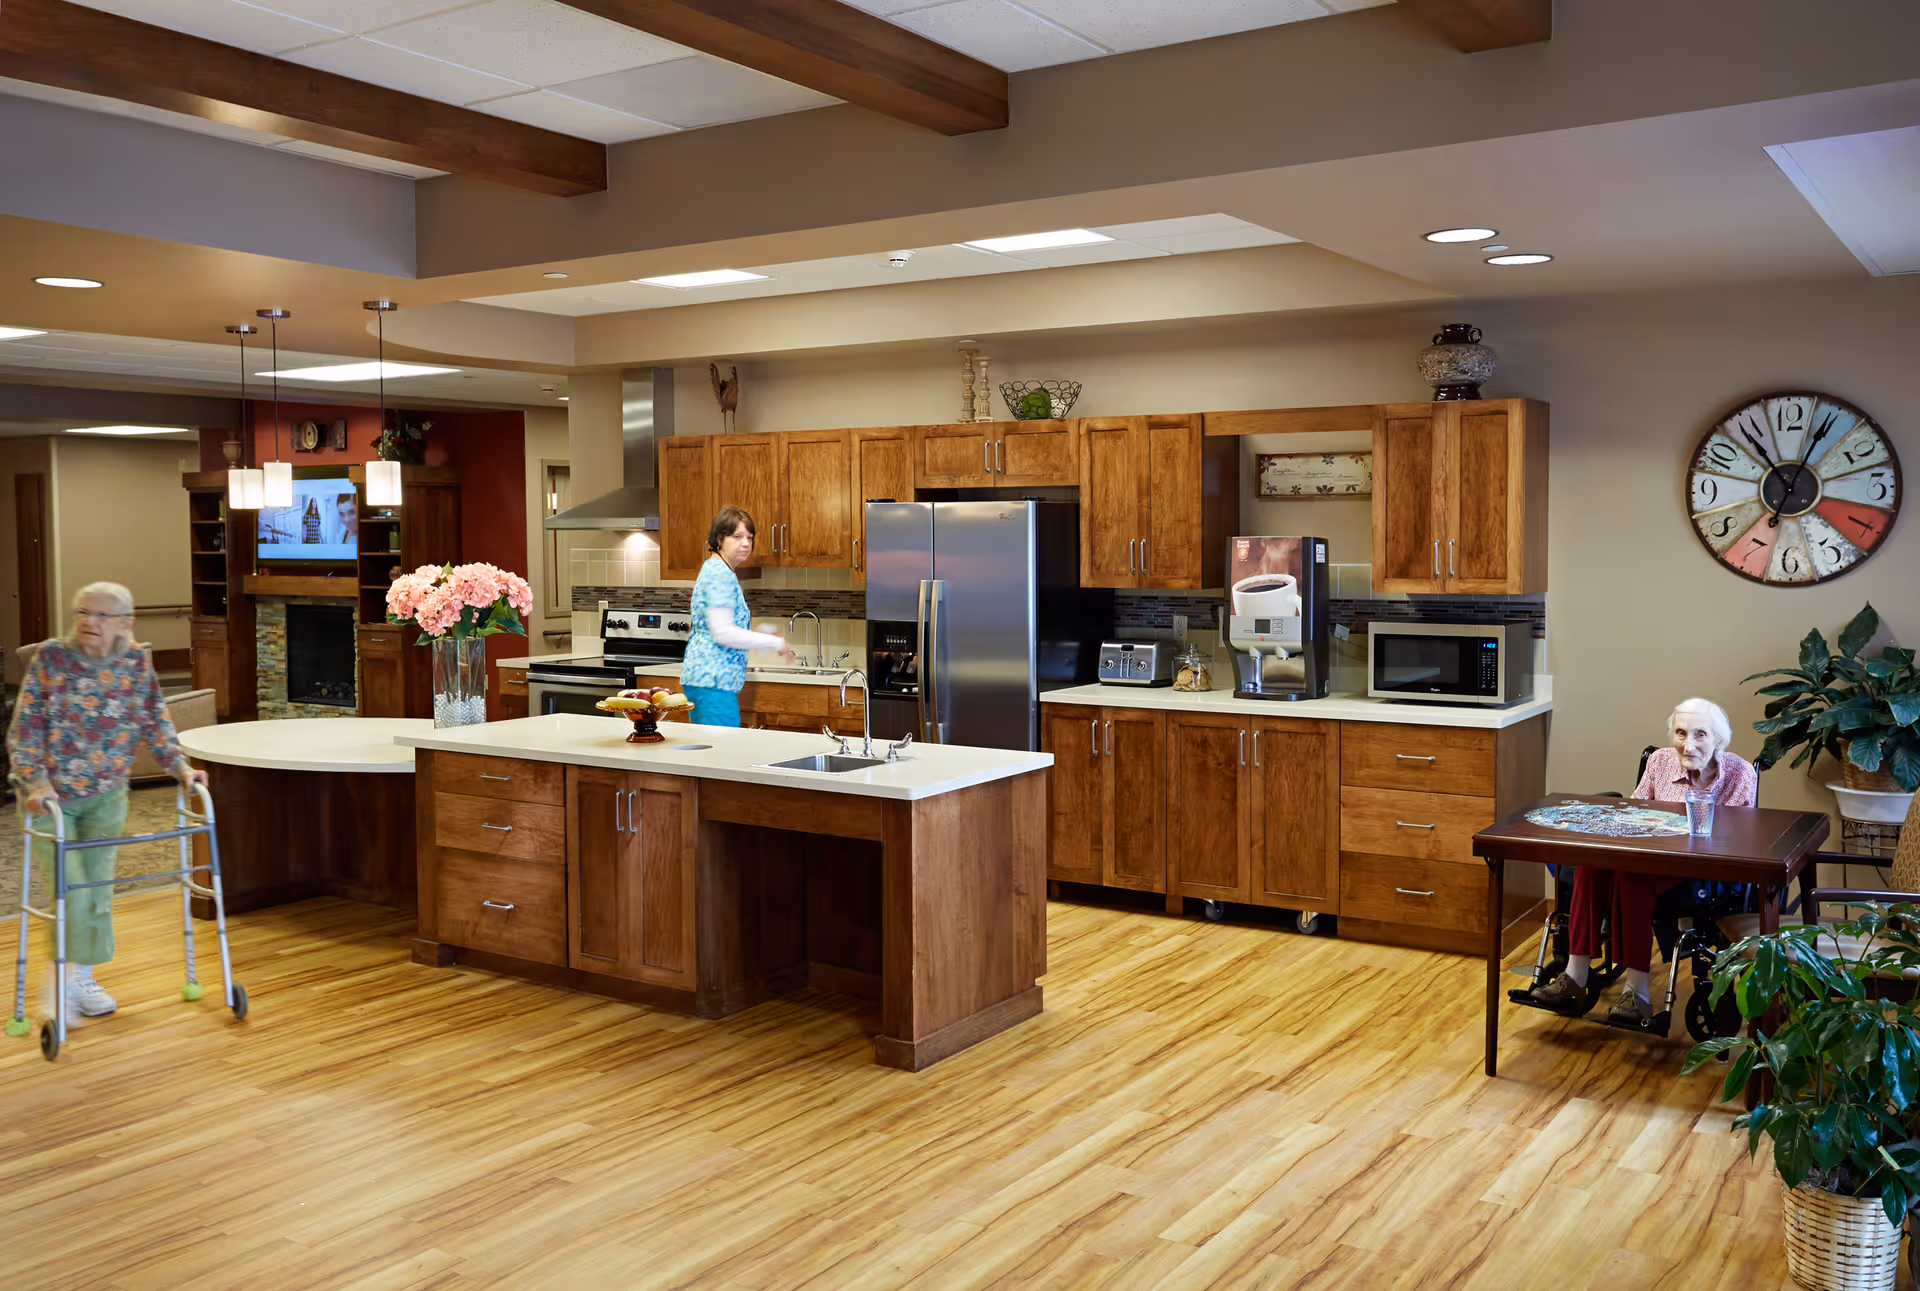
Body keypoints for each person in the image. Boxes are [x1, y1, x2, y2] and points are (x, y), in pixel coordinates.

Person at [6, 582, 209, 1018]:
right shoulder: (52, 657)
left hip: (107, 796)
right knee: (72, 889)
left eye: (100, 616)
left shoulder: (135, 663)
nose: (88, 622)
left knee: (95, 892)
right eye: (82, 613)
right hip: (52, 800)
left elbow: (154, 721)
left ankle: (83, 979)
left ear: (125, 623)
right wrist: (35, 784)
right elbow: (25, 729)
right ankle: (60, 981)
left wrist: (182, 769)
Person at [1531, 697, 1757, 1024]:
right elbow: (1635, 813)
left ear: (1719, 740)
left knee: (1630, 876)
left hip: (1699, 870)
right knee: (1590, 863)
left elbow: (1733, 837)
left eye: (1700, 735)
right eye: (1680, 733)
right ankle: (1575, 977)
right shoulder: (1660, 762)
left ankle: (1636, 994)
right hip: (1649, 857)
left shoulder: (1739, 774)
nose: (1688, 744)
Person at [679, 508, 796, 727]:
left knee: (712, 755)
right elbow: (723, 633)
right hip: (714, 683)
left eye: (749, 537)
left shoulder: (718, 569)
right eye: (737, 536)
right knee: (724, 754)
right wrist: (775, 642)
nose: (746, 543)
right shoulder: (718, 574)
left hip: (707, 681)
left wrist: (762, 635)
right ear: (719, 539)